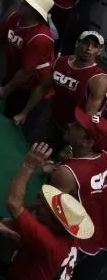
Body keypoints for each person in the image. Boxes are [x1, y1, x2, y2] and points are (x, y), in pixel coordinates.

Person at [0, 143, 92, 280]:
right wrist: (15, 234)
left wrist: (28, 165)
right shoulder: (69, 234)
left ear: (56, 223)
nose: (41, 207)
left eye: (46, 209)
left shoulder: (47, 241)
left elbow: (13, 204)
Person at [0, 0, 56, 128]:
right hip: (14, 74)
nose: (21, 4)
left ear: (35, 12)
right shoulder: (14, 17)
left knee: (11, 122)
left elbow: (26, 71)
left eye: (26, 4)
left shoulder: (41, 38)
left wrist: (6, 90)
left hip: (30, 89)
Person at [13, 31, 104, 149]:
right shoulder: (61, 62)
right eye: (86, 43)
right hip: (56, 119)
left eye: (95, 46)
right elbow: (42, 88)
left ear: (99, 51)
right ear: (77, 43)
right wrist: (24, 113)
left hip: (77, 133)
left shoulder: (98, 79)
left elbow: (88, 118)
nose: (89, 49)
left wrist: (72, 147)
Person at [54, 109, 107, 279]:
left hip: (76, 244)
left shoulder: (67, 174)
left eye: (77, 126)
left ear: (88, 142)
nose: (69, 125)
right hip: (101, 244)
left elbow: (48, 213)